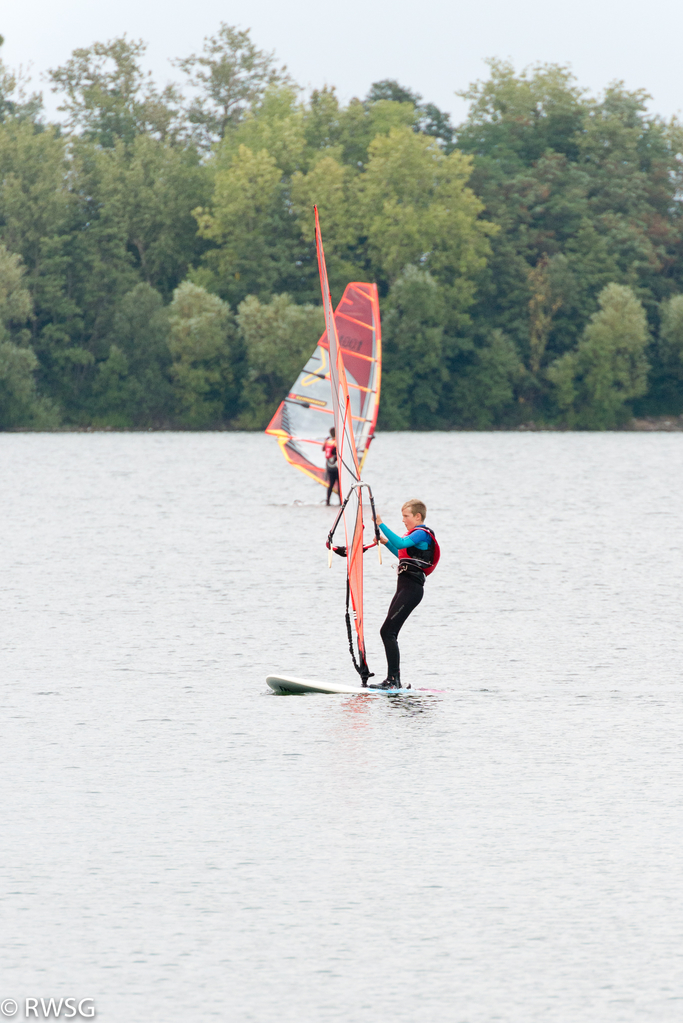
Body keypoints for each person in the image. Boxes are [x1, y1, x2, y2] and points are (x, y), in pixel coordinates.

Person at [370, 499, 440, 690]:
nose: (403, 520)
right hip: (404, 588)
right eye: (402, 516)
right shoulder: (416, 536)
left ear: (418, 517)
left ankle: (393, 681)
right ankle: (394, 680)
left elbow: (401, 542)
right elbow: (402, 554)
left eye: (406, 516)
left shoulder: (421, 534)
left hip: (412, 589)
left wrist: (380, 524)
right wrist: (385, 543)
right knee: (388, 632)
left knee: (388, 632)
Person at [322, 427, 339, 505]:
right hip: (336, 467)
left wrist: (325, 440)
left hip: (329, 467)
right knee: (339, 484)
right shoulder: (336, 442)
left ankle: (328, 501)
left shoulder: (328, 442)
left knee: (331, 484)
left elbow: (323, 449)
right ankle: (341, 502)